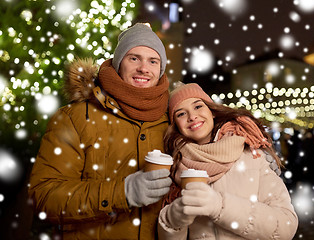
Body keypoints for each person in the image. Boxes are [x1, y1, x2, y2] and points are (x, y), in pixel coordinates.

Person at [28, 23, 172, 239]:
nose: (144, 68)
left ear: (160, 70)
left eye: (153, 61)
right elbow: (44, 196)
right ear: (118, 63)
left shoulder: (173, 119)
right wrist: (122, 193)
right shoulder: (76, 118)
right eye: (134, 58)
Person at [157, 83, 298, 239]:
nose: (192, 117)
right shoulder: (176, 166)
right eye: (181, 114)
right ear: (176, 125)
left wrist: (220, 207)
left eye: (198, 106)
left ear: (212, 111)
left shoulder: (251, 155)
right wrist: (172, 220)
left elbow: (286, 227)